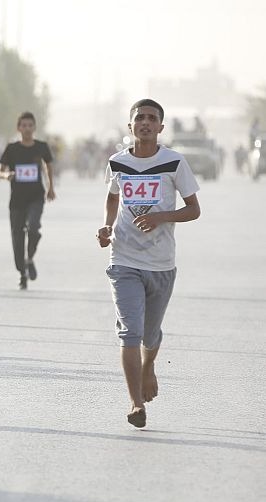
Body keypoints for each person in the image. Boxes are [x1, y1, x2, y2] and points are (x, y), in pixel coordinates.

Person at [97, 99, 200, 429]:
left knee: (150, 335)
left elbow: (193, 209)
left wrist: (161, 217)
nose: (144, 122)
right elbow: (113, 196)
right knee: (130, 332)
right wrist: (107, 225)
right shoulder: (117, 162)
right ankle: (135, 403)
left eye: (151, 118)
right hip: (123, 258)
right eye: (138, 118)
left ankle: (148, 365)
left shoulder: (174, 162)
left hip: (161, 264)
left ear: (160, 127)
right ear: (130, 127)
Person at [0, 111, 56, 290]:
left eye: (30, 125)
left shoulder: (41, 147)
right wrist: (7, 175)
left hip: (36, 195)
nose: (27, 129)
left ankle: (30, 258)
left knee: (34, 227)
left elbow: (48, 166)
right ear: (18, 128)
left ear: (34, 127)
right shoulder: (12, 148)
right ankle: (22, 272)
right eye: (24, 125)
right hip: (17, 199)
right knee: (17, 236)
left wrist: (50, 187)